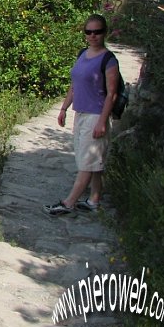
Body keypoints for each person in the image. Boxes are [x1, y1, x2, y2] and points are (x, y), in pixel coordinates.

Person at [45, 14, 120, 216]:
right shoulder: (82, 54)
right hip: (81, 113)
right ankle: (94, 199)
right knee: (92, 160)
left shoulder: (109, 60)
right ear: (85, 34)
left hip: (96, 115)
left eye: (97, 32)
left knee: (87, 161)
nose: (93, 36)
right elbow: (75, 85)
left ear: (104, 32)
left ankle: (69, 202)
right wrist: (63, 108)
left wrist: (103, 121)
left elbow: (111, 94)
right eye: (89, 32)